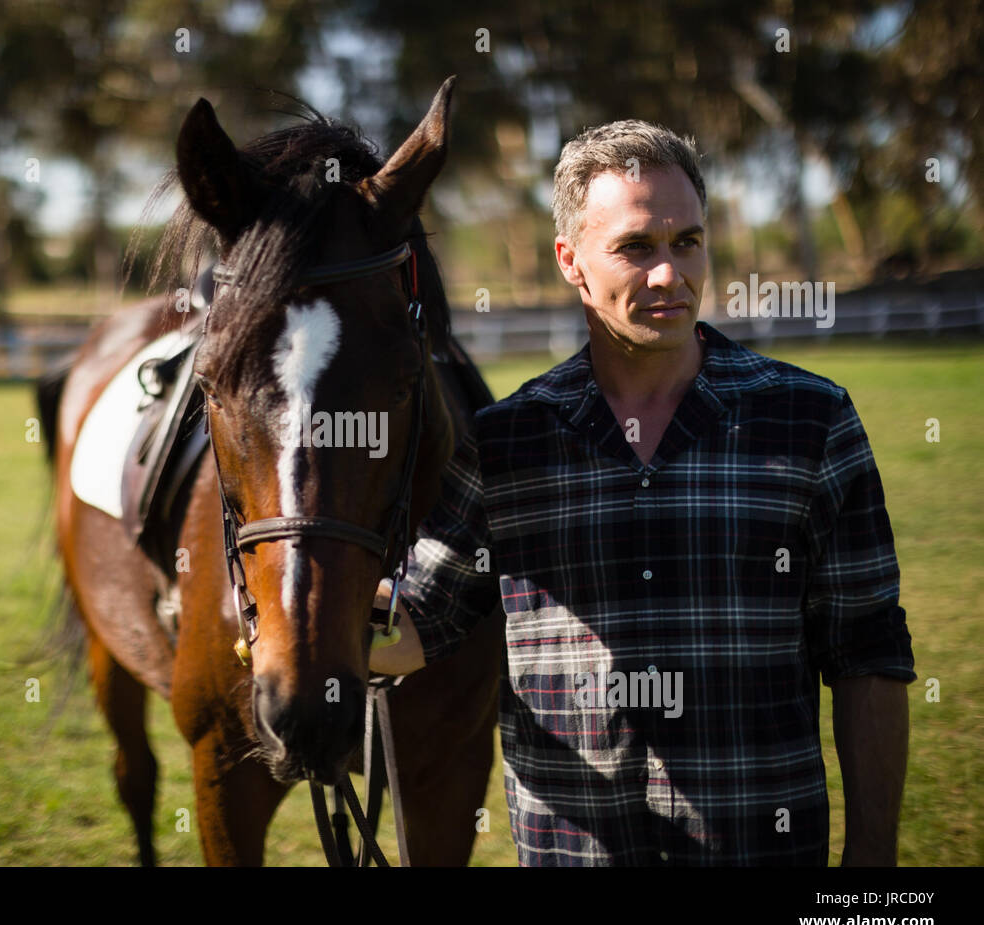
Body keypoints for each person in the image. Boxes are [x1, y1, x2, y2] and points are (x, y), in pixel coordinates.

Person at [370, 120, 914, 866]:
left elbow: (869, 653)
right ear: (572, 262)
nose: (668, 275)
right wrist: (307, 618)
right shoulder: (505, 444)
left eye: (686, 242)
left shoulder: (810, 421)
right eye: (635, 248)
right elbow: (417, 624)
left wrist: (873, 864)